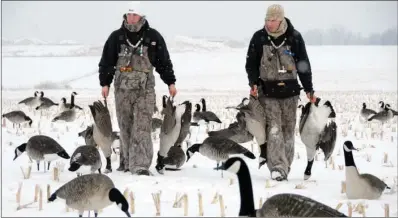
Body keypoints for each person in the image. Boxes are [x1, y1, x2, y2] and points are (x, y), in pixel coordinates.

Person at [98, 4, 177, 176]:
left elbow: (163, 62)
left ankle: (140, 166)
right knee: (125, 126)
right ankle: (127, 162)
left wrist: (170, 82)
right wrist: (105, 83)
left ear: (141, 16)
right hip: (122, 91)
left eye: (135, 15)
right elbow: (107, 62)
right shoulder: (116, 38)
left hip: (145, 91)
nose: (131, 18)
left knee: (141, 127)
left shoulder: (153, 37)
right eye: (129, 14)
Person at [245, 4, 316, 181]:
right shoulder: (259, 38)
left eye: (273, 20)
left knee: (287, 130)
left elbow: (303, 65)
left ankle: (285, 165)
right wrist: (253, 82)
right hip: (267, 92)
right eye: (267, 20)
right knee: (274, 129)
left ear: (281, 19)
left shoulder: (294, 37)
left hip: (290, 93)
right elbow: (251, 63)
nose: (269, 23)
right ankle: (277, 167)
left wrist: (308, 89)